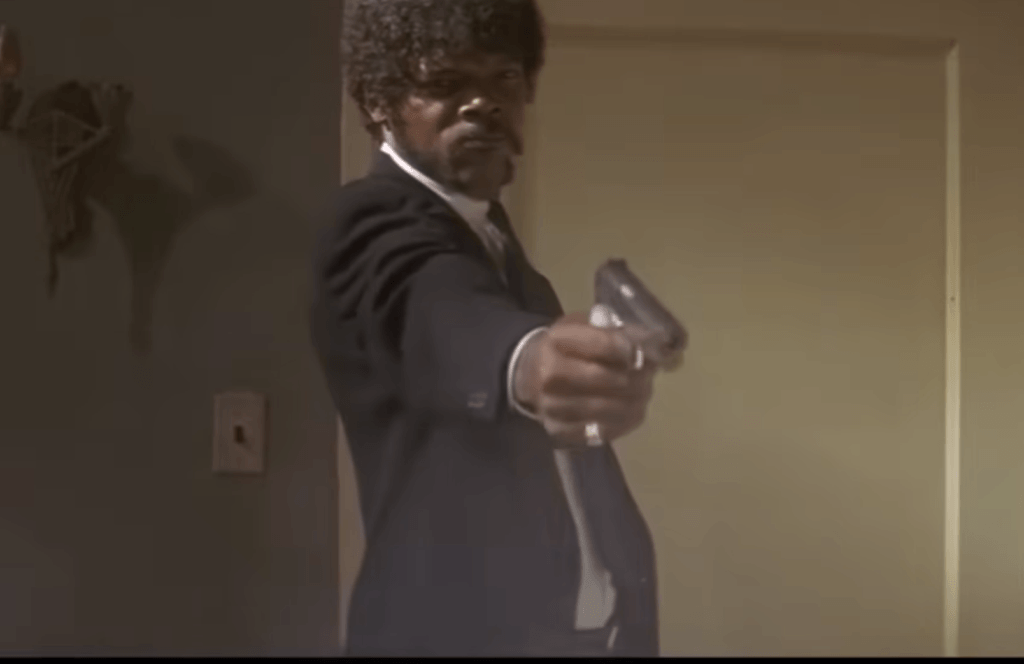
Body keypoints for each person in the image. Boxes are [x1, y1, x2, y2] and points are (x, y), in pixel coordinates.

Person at [311, 0, 675, 656]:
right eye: (447, 83)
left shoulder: (492, 240)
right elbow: (444, 316)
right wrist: (530, 360)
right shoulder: (369, 224)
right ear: (379, 102)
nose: (483, 103)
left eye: (504, 78)